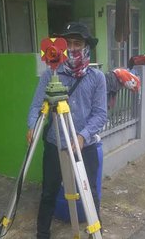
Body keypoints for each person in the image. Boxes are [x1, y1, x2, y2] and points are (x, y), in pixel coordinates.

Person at [26, 22, 107, 239]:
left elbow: (100, 114)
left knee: (90, 193)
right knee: (49, 192)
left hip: (85, 146)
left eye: (77, 43)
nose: (72, 48)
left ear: (87, 47)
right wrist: (33, 125)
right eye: (68, 43)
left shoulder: (97, 78)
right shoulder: (50, 74)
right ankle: (42, 234)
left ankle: (95, 233)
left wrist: (83, 136)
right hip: (56, 143)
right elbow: (36, 105)